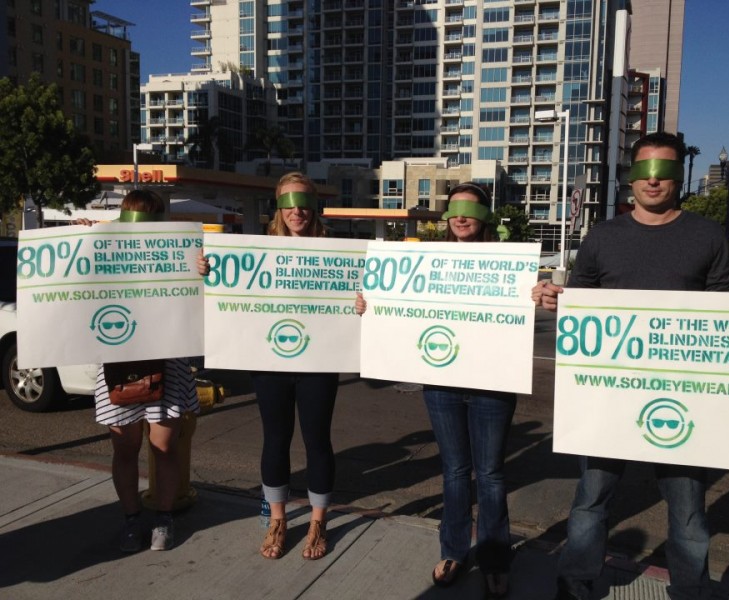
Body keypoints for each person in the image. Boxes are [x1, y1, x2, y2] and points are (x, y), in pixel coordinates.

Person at [532, 132, 729, 600]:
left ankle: (691, 590)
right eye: (644, 170)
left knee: (688, 507)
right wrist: (554, 298)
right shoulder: (603, 237)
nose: (653, 180)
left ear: (678, 177)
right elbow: (578, 301)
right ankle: (576, 581)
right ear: (631, 178)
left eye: (664, 170)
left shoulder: (707, 235)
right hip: (609, 393)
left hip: (682, 395)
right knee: (592, 497)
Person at [356, 182, 515, 598]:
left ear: (486, 216)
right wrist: (372, 305)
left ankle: (496, 558)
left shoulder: (508, 263)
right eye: (454, 209)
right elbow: (398, 308)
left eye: (471, 209)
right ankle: (454, 551)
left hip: (492, 385)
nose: (461, 217)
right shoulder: (425, 263)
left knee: (491, 474)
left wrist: (538, 295)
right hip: (442, 384)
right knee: (456, 471)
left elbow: (521, 314)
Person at [200, 172, 337, 560]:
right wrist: (208, 272)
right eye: (289, 203)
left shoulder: (336, 252)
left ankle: (318, 522)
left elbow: (356, 299)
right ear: (278, 208)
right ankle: (278, 520)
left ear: (314, 207)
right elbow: (227, 293)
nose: (297, 211)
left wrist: (362, 302)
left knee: (317, 441)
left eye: (304, 203)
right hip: (270, 360)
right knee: (275, 438)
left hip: (319, 360)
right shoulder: (256, 251)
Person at [89, 189, 201, 553]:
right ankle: (131, 519)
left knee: (165, 446)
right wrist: (81, 243)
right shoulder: (104, 252)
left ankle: (164, 518)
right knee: (125, 448)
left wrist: (202, 271)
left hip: (167, 360)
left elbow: (198, 301)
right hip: (118, 363)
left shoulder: (178, 253)